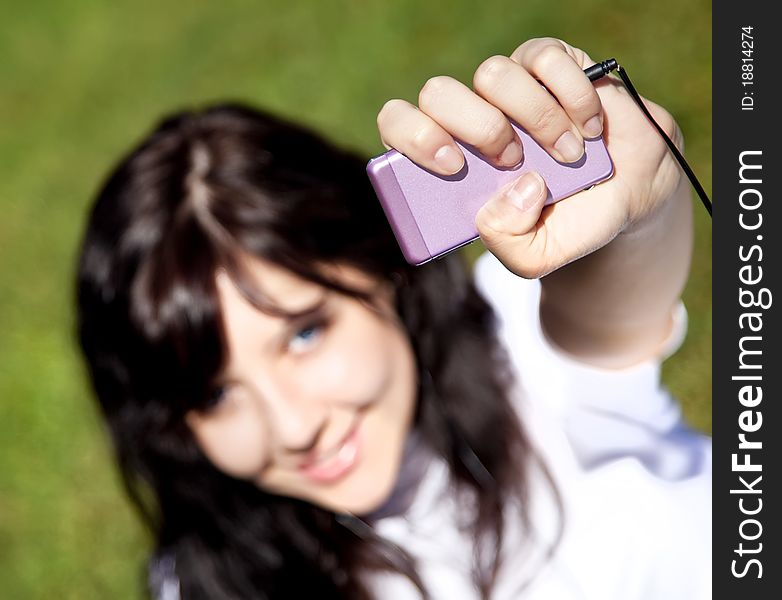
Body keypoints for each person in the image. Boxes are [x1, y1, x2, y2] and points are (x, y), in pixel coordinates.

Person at [75, 37, 711, 599]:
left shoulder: (520, 334)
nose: (294, 427)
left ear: (379, 267)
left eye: (303, 334)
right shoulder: (210, 585)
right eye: (215, 394)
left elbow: (610, 317)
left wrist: (638, 209)